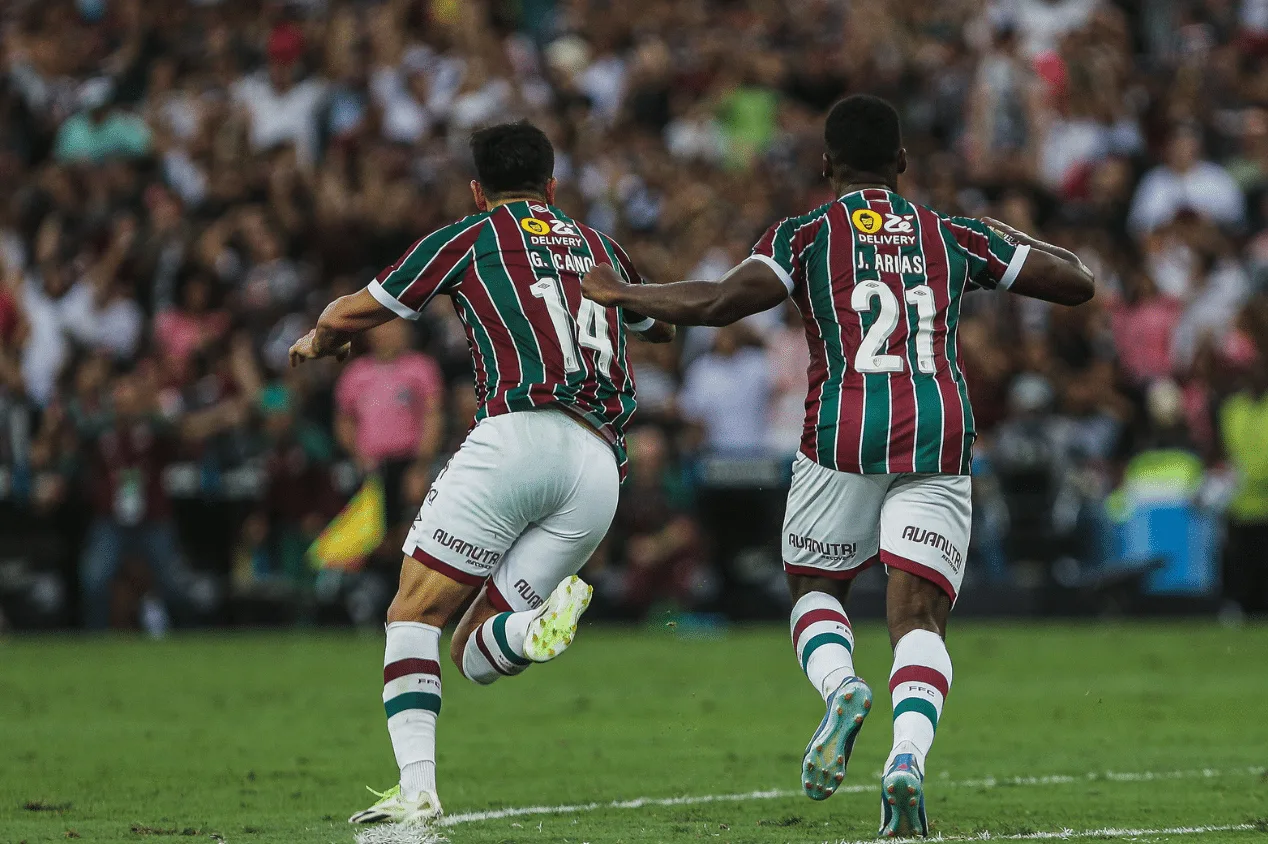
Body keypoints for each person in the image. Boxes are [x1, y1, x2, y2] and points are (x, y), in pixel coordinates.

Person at [581, 94, 1093, 838]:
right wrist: (994, 232)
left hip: (842, 432)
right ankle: (906, 762)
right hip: (938, 436)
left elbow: (723, 301)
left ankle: (842, 686)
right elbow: (1076, 280)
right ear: (904, 164)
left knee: (815, 588)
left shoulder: (807, 233)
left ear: (825, 167)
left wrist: (626, 292)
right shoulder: (953, 234)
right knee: (918, 617)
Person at [288, 120, 674, 827]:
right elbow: (662, 327)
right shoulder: (600, 246)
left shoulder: (471, 236)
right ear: (553, 186)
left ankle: (418, 791)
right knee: (476, 651)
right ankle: (535, 631)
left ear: (476, 189)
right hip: (598, 469)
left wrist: (321, 338)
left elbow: (360, 308)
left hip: (519, 434)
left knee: (412, 615)